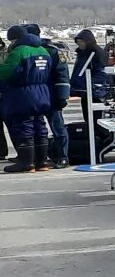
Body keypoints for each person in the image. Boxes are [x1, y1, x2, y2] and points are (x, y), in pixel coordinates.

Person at [1, 24, 54, 173]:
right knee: (40, 126)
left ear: (16, 39)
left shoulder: (19, 52)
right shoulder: (43, 50)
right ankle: (42, 162)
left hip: (24, 94)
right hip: (42, 92)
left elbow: (6, 72)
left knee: (24, 126)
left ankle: (26, 162)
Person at [26, 25, 70, 169]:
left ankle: (62, 156)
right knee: (36, 128)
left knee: (58, 127)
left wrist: (62, 96)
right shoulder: (25, 52)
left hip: (51, 95)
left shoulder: (52, 52)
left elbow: (62, 75)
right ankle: (39, 157)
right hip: (35, 96)